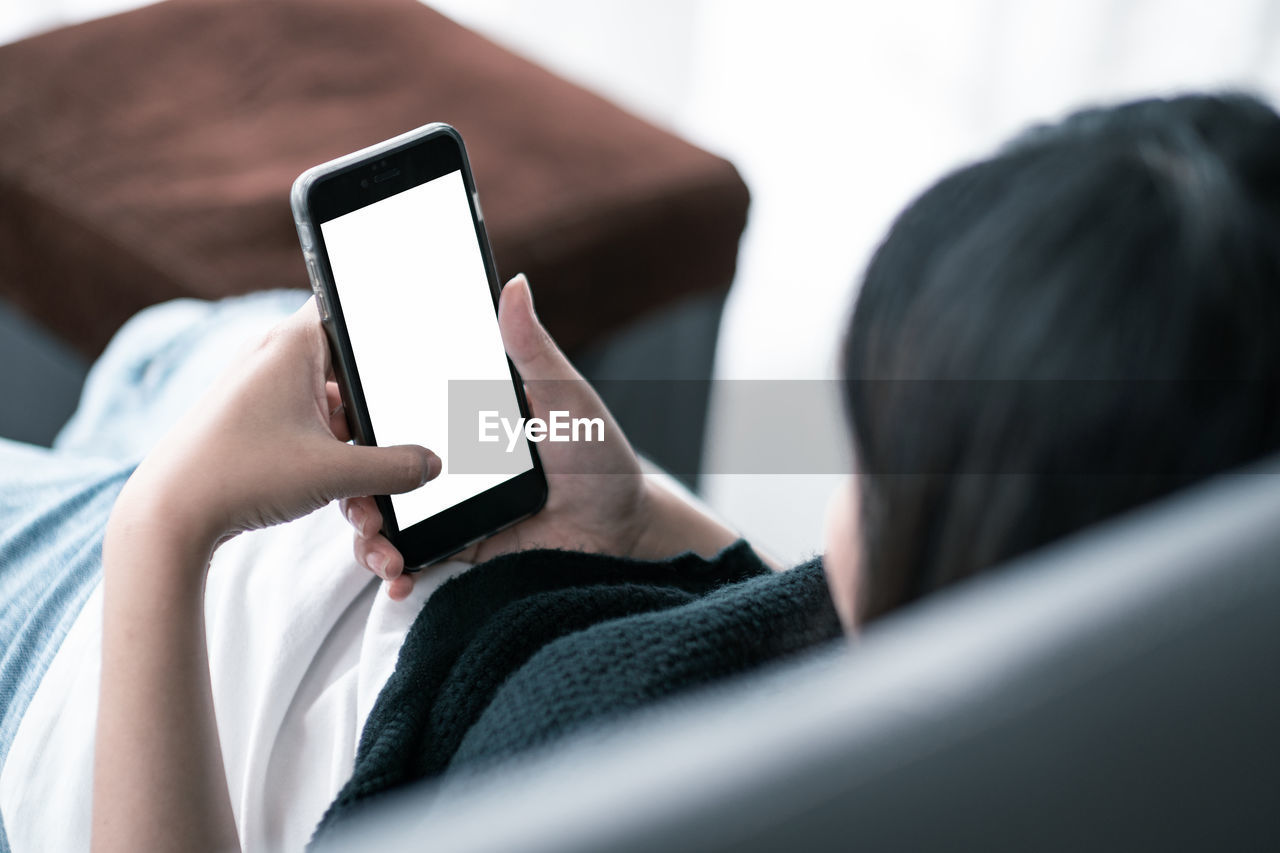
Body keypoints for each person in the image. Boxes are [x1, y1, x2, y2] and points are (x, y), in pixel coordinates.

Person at [1, 92, 1278, 852]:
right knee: (200, 341)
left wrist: (166, 530)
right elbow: (784, 636)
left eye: (875, 456)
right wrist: (628, 510)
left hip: (120, 659)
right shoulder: (1111, 685)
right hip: (349, 566)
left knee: (168, 366)